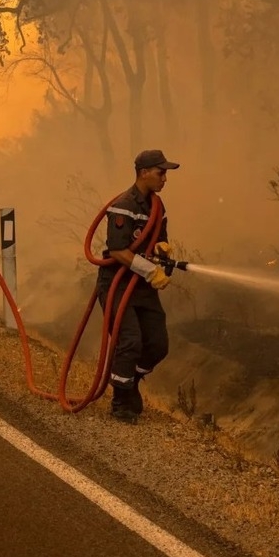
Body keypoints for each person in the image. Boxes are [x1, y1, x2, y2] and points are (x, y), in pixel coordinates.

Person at [97, 149, 180, 423]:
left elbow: (157, 239)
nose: (165, 178)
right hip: (118, 285)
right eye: (161, 172)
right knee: (130, 341)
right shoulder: (123, 206)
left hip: (142, 286)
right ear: (144, 173)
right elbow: (119, 250)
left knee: (157, 344)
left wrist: (162, 248)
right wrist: (150, 271)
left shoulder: (158, 207)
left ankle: (131, 381)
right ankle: (120, 401)